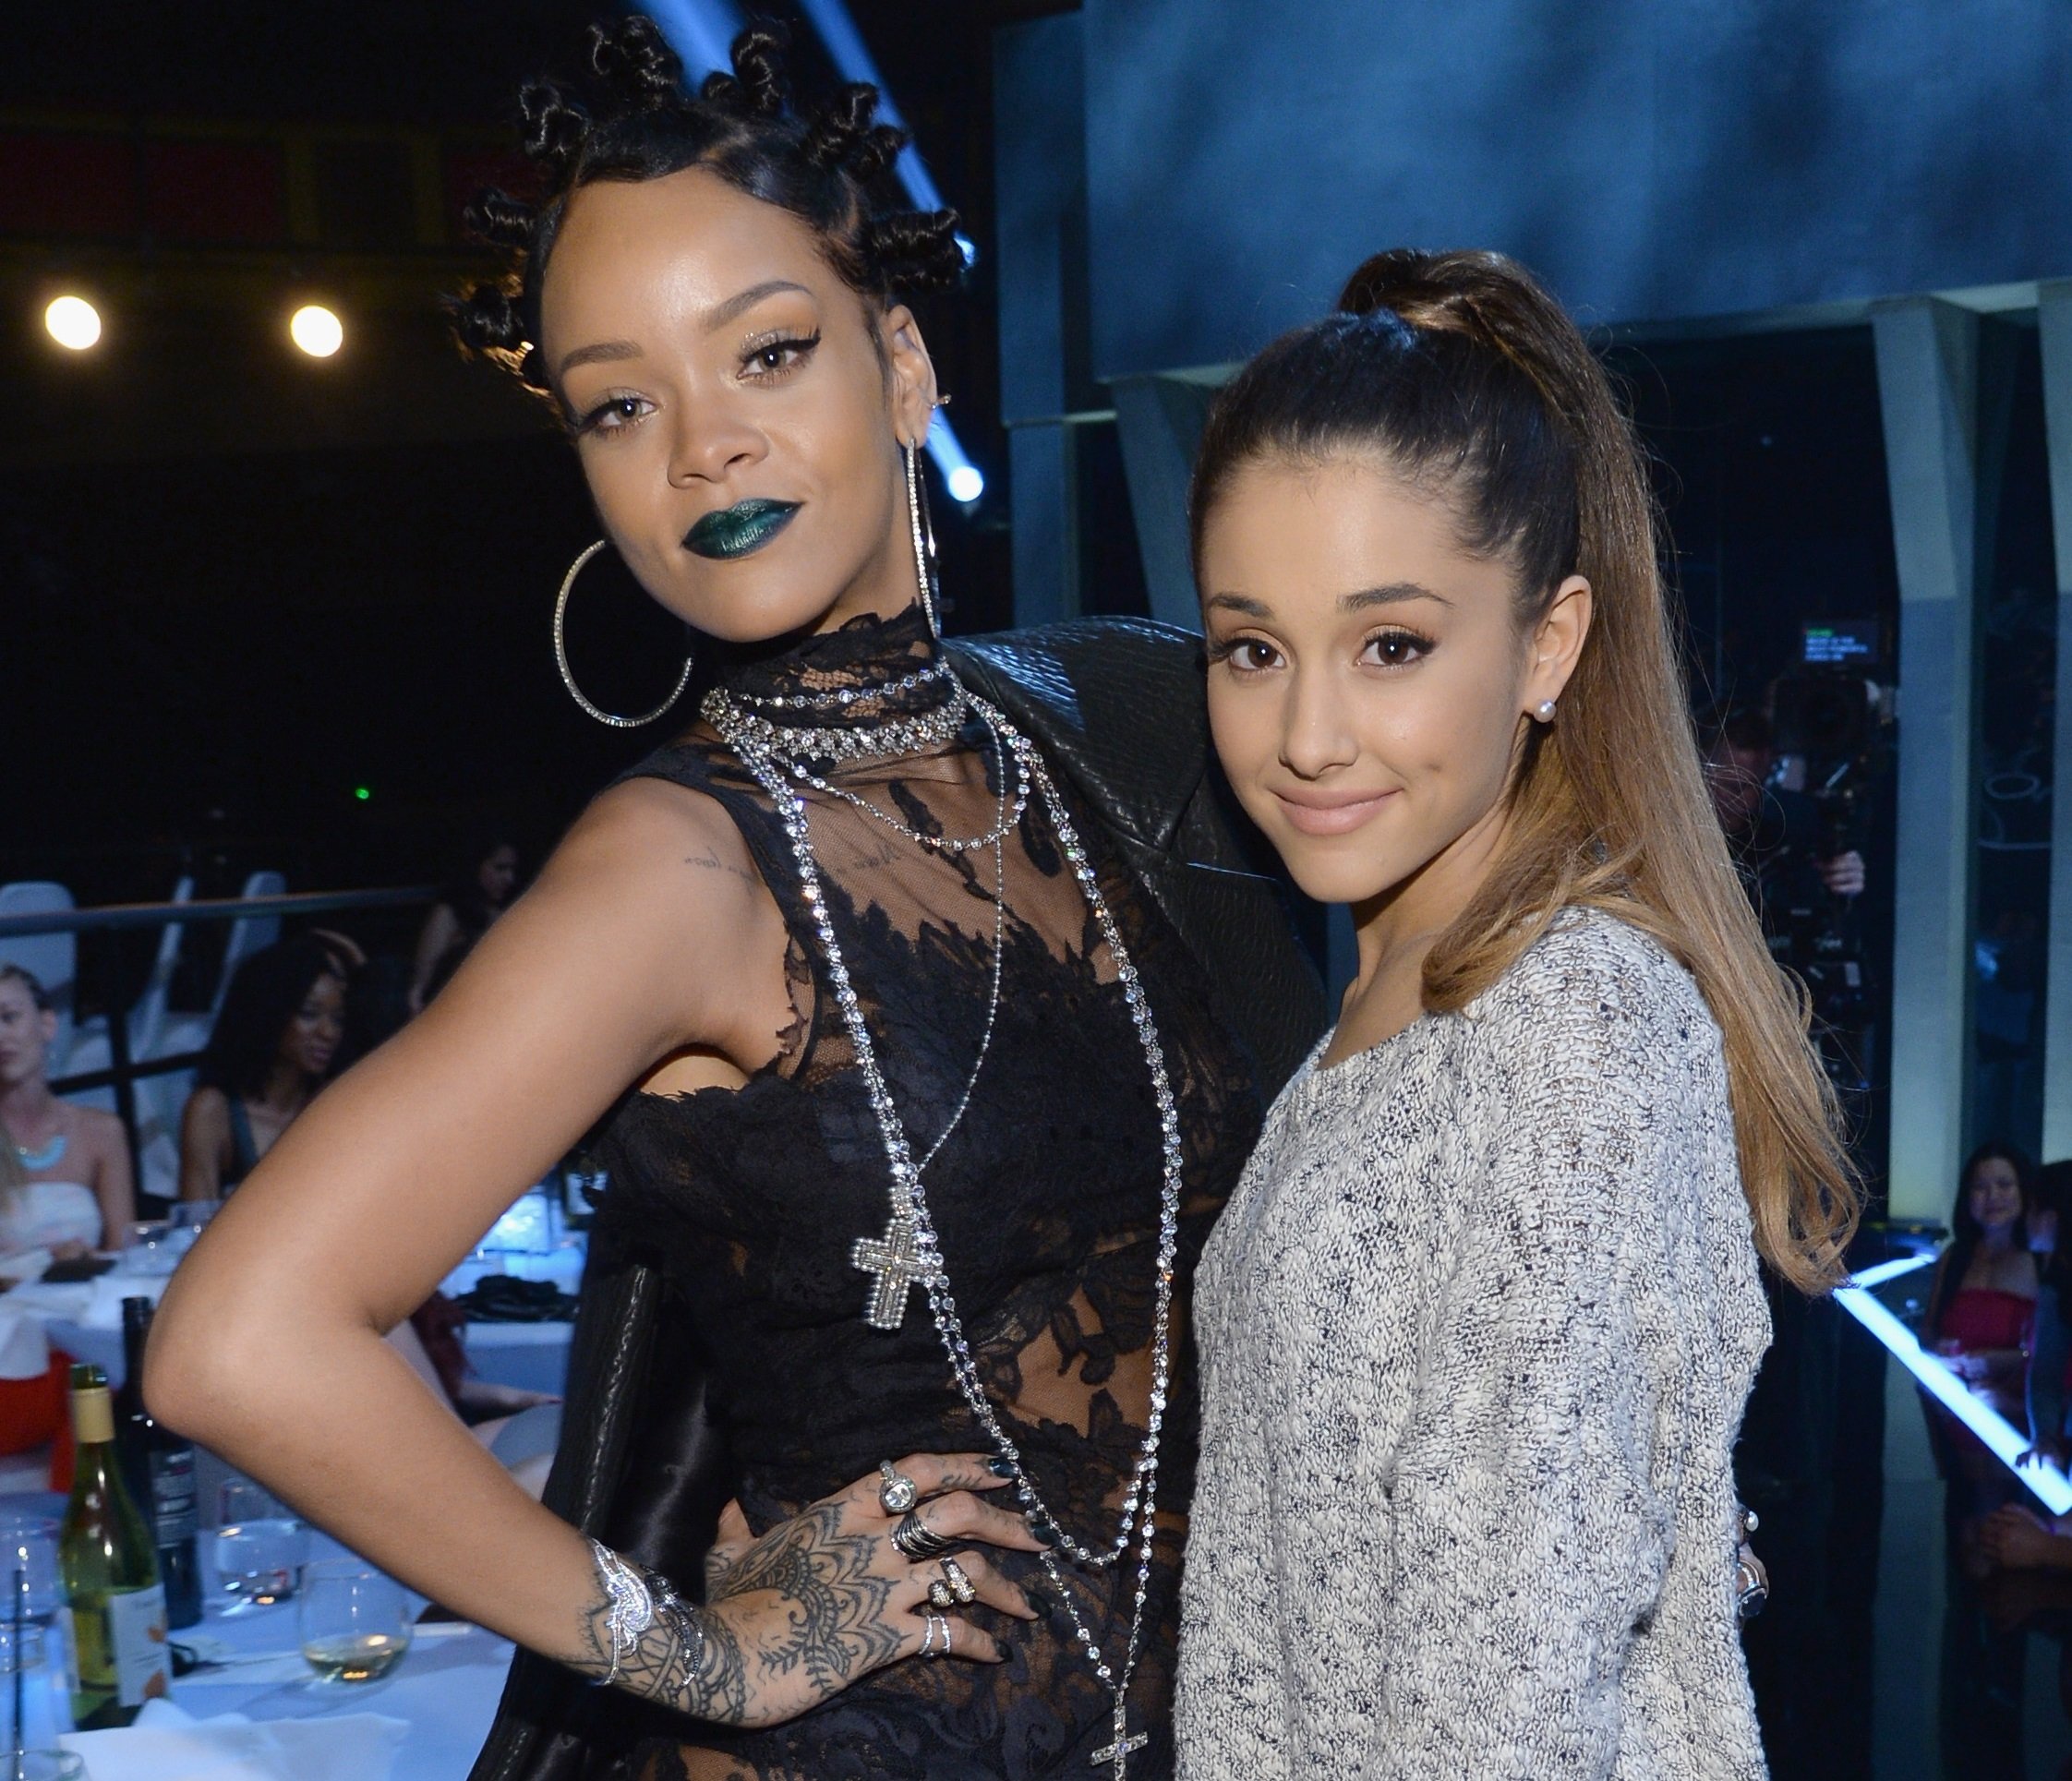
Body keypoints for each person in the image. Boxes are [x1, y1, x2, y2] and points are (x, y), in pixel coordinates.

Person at [148, 20, 1321, 1781]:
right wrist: (685, 1644)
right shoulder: (670, 872)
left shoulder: (1098, 726)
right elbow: (238, 1338)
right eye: (620, 401)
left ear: (904, 365)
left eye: (765, 352)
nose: (700, 445)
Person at [1172, 248, 1858, 1776]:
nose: (1304, 733)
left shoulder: (1565, 1021)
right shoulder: (1393, 1003)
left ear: (1543, 644)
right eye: (1250, 647)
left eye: (1390, 645)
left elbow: (1501, 1699)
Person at [177, 936, 345, 1201]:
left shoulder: (335, 1104)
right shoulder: (212, 1110)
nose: (328, 1032)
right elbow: (193, 1226)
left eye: (337, 1019)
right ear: (269, 1012)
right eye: (309, 1014)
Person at [0, 964, 135, 1257]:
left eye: (9, 1017)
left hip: (87, 1295)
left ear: (46, 1024)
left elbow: (124, 1251)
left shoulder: (101, 1131)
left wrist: (84, 1263)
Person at [410, 838, 523, 1013]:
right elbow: (422, 986)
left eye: (512, 870)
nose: (509, 878)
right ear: (477, 866)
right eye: (500, 868)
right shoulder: (448, 914)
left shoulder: (509, 913)